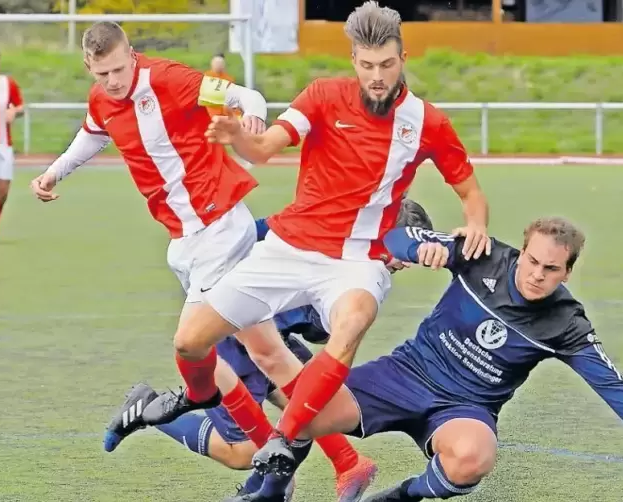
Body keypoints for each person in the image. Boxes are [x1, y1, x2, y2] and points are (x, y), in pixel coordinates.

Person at [140, 1, 491, 480]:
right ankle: (200, 395)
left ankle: (285, 438)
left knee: (352, 322)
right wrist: (235, 137)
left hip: (356, 261)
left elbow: (469, 190)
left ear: (403, 57)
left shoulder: (427, 122)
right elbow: (265, 147)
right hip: (287, 248)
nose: (377, 76)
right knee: (189, 342)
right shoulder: (324, 96)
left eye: (387, 64)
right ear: (354, 61)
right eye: (367, 65)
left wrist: (476, 223)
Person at [26, 23, 322, 492]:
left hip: (219, 228)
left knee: (210, 351)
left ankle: (215, 422)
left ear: (132, 55)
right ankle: (279, 454)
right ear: (90, 66)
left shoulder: (167, 78)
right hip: (186, 241)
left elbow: (247, 95)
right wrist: (53, 173)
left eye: (120, 68)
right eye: (104, 73)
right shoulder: (102, 98)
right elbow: (93, 133)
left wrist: (254, 118)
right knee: (261, 364)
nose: (115, 80)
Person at [246, 216, 623, 502]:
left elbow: (610, 382)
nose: (536, 275)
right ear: (521, 251)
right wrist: (417, 248)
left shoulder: (565, 321)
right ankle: (269, 495)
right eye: (531, 261)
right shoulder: (482, 255)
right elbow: (398, 234)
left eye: (551, 270)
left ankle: (403, 496)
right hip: (404, 374)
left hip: (464, 407)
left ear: (567, 272)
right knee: (302, 414)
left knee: (472, 459)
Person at [109, 199, 433, 502]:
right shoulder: (317, 244)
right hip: (235, 334)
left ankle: (321, 471)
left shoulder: (356, 265)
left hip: (272, 335)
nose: (408, 261)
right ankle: (149, 409)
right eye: (407, 249)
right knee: (244, 451)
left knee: (309, 408)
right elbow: (255, 235)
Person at [0, 47, 24, 244]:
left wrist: (15, 112)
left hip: (4, 145)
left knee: (2, 193)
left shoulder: (7, 84)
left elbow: (20, 106)